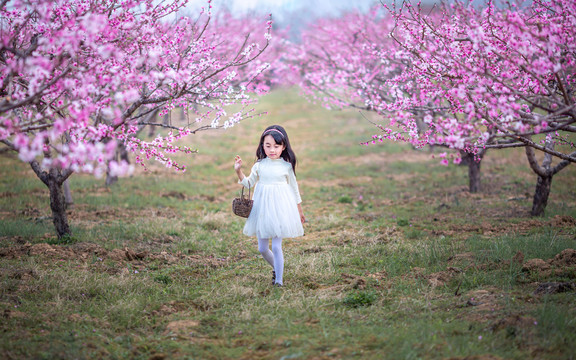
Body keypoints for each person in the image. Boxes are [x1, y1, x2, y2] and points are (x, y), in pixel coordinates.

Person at [234, 125, 305, 287]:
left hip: (281, 207)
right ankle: (277, 268)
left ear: (283, 147)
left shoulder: (286, 166)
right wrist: (239, 171)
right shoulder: (259, 165)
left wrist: (299, 211)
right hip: (262, 208)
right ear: (262, 146)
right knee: (262, 248)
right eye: (268, 146)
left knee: (277, 246)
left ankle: (279, 280)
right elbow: (248, 183)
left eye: (276, 146)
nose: (272, 150)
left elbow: (294, 189)